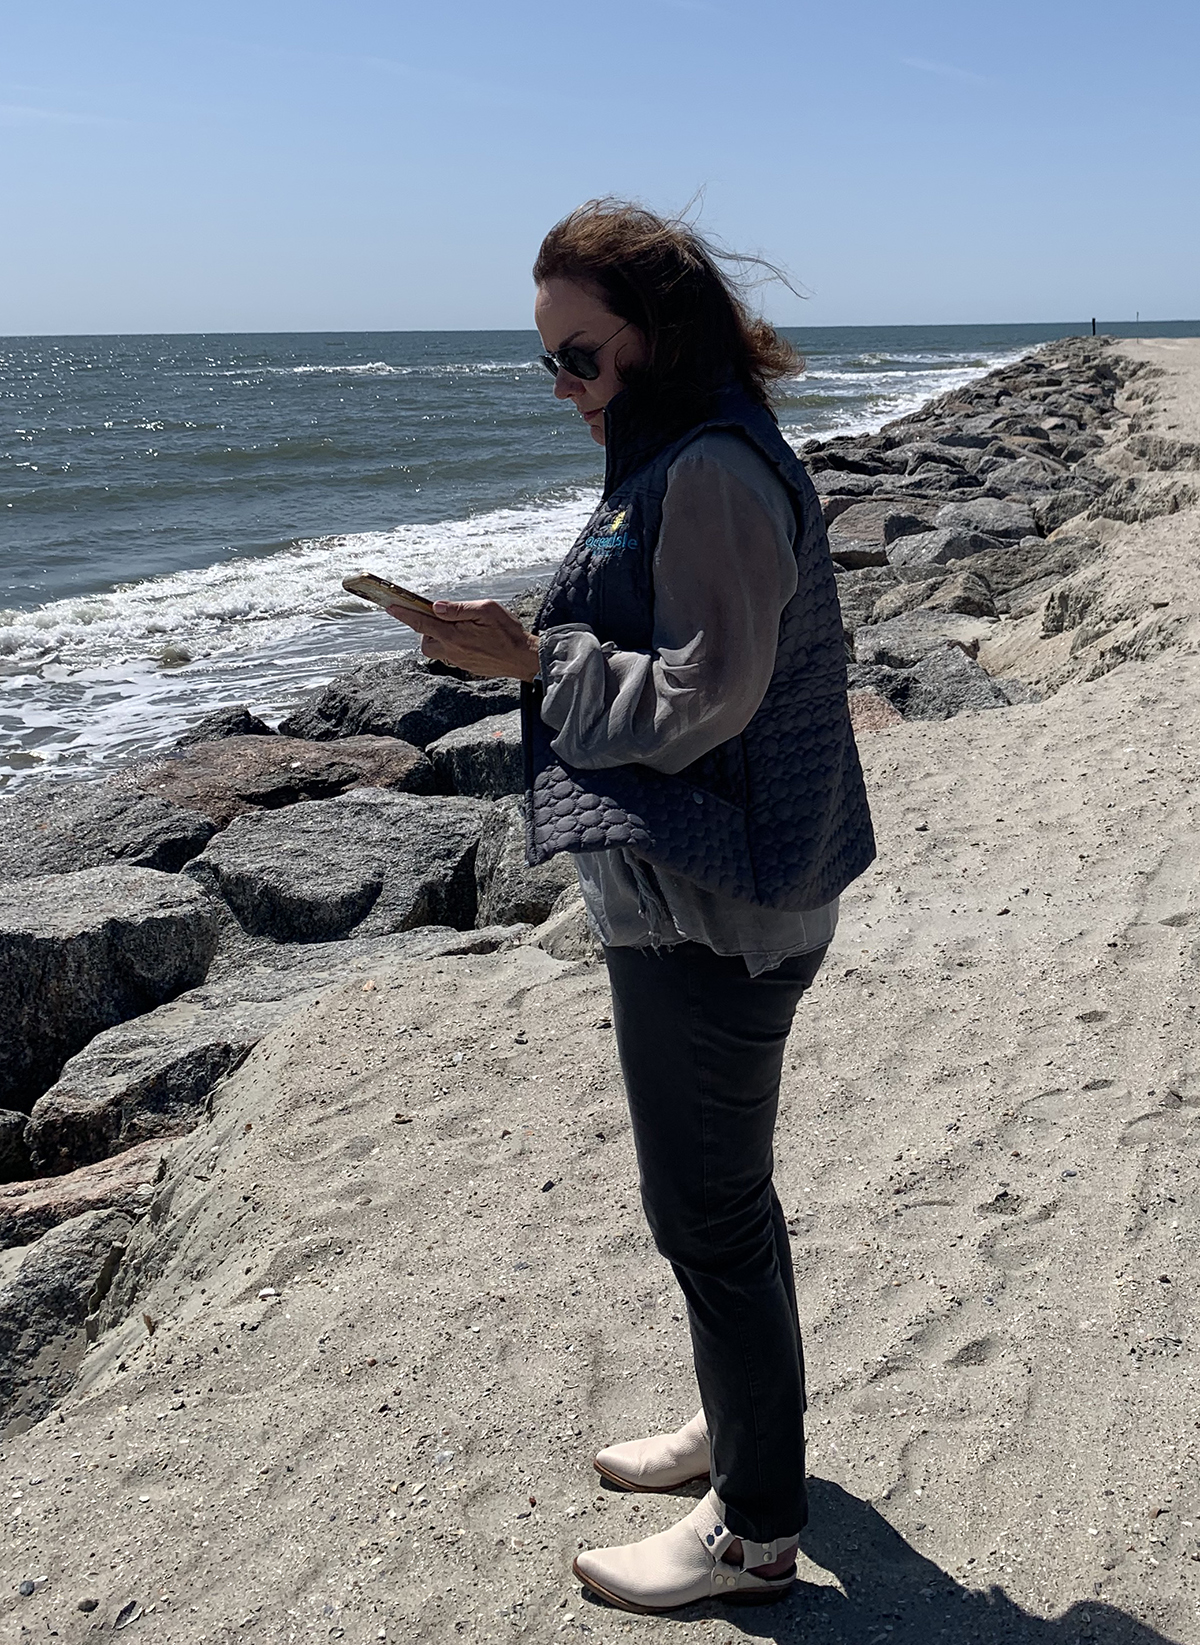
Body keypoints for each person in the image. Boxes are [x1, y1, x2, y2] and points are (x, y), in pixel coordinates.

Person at [386, 199, 875, 1615]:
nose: (565, 393)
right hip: (715, 893)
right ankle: (739, 1429)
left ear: (655, 338)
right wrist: (530, 656)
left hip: (715, 912)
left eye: (580, 360)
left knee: (704, 1210)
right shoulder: (680, 443)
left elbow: (700, 696)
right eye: (549, 366)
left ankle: (755, 1535)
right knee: (729, 1198)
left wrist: (534, 661)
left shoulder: (710, 468)